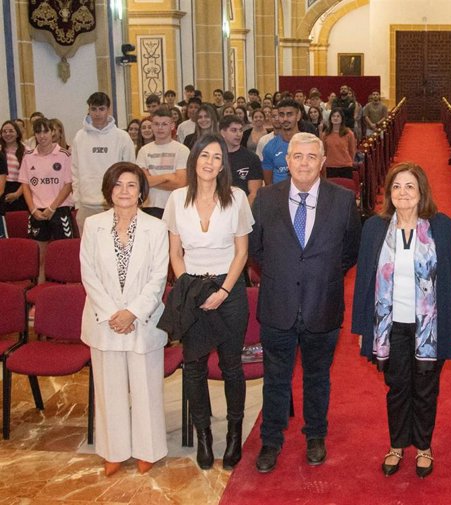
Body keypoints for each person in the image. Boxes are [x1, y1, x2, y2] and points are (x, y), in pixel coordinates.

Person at [249, 132, 361, 473]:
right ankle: (271, 440)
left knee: (317, 377)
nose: (304, 163)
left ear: (323, 162)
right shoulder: (266, 199)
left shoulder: (343, 200)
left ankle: (315, 435)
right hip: (278, 303)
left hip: (322, 304)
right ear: (287, 160)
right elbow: (257, 251)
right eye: (298, 157)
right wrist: (286, 273)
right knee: (276, 378)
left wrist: (318, 273)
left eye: (312, 157)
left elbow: (349, 251)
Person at [352, 162, 451, 479]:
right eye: (397, 186)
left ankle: (424, 447)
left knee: (426, 389)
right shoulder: (375, 228)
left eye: (410, 186)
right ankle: (397, 445)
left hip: (431, 326)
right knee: (397, 386)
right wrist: (362, 328)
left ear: (421, 192)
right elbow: (363, 281)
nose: (403, 192)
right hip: (390, 326)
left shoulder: (442, 227)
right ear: (389, 192)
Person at [160, 133, 255, 470]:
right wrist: (189, 287)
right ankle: (203, 437)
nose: (210, 162)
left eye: (217, 157)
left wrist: (224, 291)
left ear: (223, 165)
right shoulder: (175, 199)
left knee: (231, 366)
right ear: (194, 159)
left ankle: (232, 436)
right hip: (191, 289)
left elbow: (242, 252)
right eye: (204, 156)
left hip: (228, 290)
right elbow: (174, 251)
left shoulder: (237, 198)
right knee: (195, 367)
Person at [79, 162, 169, 477]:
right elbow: (88, 274)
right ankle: (113, 451)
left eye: (131, 185)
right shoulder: (93, 225)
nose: (124, 191)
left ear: (142, 191)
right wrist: (112, 314)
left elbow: (159, 278)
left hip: (142, 319)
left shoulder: (156, 227)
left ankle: (148, 450)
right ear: (108, 190)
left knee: (146, 387)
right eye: (118, 185)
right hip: (104, 320)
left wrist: (132, 312)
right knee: (109, 388)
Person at [19, 118, 75, 277]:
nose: (42, 136)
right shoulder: (29, 156)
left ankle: (66, 291)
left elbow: (68, 184)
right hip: (37, 211)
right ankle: (39, 293)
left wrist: (52, 208)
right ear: (34, 135)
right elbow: (25, 185)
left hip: (59, 209)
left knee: (64, 254)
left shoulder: (64, 155)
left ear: (53, 132)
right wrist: (32, 209)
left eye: (45, 131)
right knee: (40, 258)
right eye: (38, 132)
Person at [72, 92, 136, 233]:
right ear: (88, 110)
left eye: (101, 109)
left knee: (115, 248)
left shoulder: (122, 137)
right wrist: (77, 202)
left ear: (108, 110)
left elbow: (131, 172)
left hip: (114, 203)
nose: (97, 113)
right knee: (89, 251)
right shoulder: (79, 137)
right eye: (93, 109)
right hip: (86, 205)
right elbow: (75, 171)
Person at [136, 109, 189, 218]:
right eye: (156, 124)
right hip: (149, 206)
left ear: (172, 126)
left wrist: (152, 180)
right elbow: (143, 182)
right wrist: (168, 177)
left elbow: (180, 183)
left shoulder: (182, 150)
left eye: (164, 124)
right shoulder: (144, 151)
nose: (160, 128)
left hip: (175, 206)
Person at [220, 115, 263, 206]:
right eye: (233, 130)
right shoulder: (215, 156)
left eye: (240, 130)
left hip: (242, 208)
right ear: (223, 132)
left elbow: (254, 193)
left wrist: (244, 216)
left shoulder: (252, 158)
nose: (238, 134)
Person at [262, 98, 301, 185]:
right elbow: (268, 184)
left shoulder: (310, 143)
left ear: (298, 116)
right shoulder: (270, 147)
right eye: (281, 115)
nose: (285, 119)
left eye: (289, 114)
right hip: (279, 196)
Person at [321, 108, 357, 179]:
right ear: (330, 118)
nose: (335, 118)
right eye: (333, 116)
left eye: (338, 116)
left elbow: (352, 150)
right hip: (330, 166)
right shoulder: (325, 134)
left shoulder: (349, 133)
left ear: (342, 119)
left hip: (345, 166)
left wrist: (349, 161)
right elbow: (323, 151)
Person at [0, 120, 28, 211]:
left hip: (20, 191)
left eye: (11, 131)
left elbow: (29, 177)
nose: (7, 134)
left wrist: (17, 194)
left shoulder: (26, 150)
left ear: (17, 133)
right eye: (4, 131)